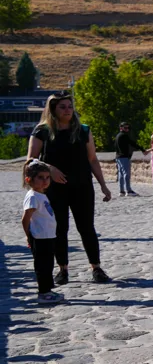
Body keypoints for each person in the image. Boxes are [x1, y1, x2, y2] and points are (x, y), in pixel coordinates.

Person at [27, 94, 113, 285]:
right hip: (54, 188)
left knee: (87, 228)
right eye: (62, 107)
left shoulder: (83, 131)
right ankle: (63, 269)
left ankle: (96, 268)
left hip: (82, 186)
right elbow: (30, 160)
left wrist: (103, 185)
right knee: (59, 229)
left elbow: (92, 159)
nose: (67, 110)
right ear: (53, 111)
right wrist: (49, 168)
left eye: (69, 106)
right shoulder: (42, 131)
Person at [22, 160, 63, 305]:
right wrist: (29, 236)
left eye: (47, 177)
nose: (45, 181)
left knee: (48, 264)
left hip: (48, 236)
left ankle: (48, 290)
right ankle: (43, 293)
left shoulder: (41, 194)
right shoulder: (33, 196)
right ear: (29, 179)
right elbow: (25, 219)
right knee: (42, 266)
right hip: (39, 237)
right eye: (40, 178)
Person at [113, 121, 146, 196]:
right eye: (125, 127)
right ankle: (129, 191)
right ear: (121, 128)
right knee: (126, 174)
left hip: (118, 157)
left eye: (128, 127)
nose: (127, 129)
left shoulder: (117, 136)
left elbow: (115, 146)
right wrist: (142, 149)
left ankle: (121, 191)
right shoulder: (124, 135)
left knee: (121, 174)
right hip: (124, 157)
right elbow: (132, 143)